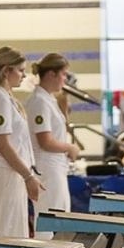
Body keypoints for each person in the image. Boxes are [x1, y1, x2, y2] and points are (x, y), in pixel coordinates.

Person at [0, 47, 40, 238]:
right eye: (20, 70)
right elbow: (3, 145)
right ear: (6, 71)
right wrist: (28, 176)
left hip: (11, 175)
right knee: (8, 240)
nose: (24, 75)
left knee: (17, 237)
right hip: (6, 176)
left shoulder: (4, 97)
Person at [27, 53, 81, 214]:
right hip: (47, 168)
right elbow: (45, 141)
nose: (65, 79)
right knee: (52, 217)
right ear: (52, 74)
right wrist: (70, 147)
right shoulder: (40, 102)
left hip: (55, 168)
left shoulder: (48, 100)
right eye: (64, 74)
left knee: (60, 215)